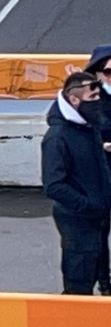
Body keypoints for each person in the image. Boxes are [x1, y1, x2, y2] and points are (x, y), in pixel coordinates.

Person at [42, 72, 111, 295]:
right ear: (74, 99)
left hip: (97, 217)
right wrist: (89, 205)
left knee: (99, 266)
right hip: (78, 221)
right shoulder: (57, 137)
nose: (98, 102)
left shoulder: (87, 126)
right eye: (92, 97)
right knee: (79, 285)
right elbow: (54, 186)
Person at [83, 45, 111, 295]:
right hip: (101, 175)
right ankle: (105, 284)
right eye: (109, 71)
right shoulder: (91, 100)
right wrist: (102, 145)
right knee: (100, 233)